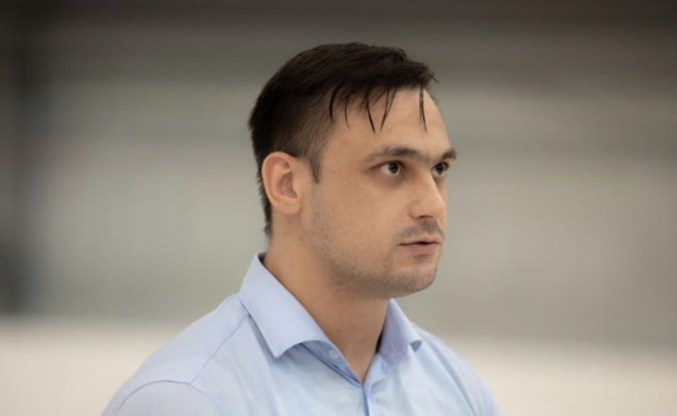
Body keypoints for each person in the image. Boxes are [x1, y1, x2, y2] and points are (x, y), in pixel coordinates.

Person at [103, 43, 500, 416]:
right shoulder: (186, 400)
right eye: (393, 167)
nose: (433, 205)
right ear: (287, 184)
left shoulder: (459, 392)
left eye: (439, 169)